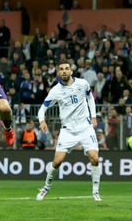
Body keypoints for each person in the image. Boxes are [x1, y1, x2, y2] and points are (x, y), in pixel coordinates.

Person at [36, 61, 102, 202]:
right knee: (57, 161)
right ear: (58, 73)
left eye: (67, 69)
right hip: (68, 131)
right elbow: (43, 108)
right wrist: (42, 120)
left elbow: (90, 98)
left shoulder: (83, 84)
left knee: (95, 158)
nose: (64, 71)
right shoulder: (55, 91)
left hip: (85, 127)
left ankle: (95, 192)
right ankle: (46, 188)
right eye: (61, 69)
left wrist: (94, 116)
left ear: (71, 71)